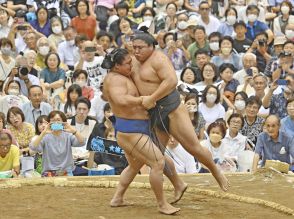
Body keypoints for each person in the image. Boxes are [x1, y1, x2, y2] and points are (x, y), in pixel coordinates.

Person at [131, 32, 229, 191]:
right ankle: (178, 184)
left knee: (193, 147)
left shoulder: (159, 59)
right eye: (134, 47)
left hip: (171, 107)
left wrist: (152, 98)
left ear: (151, 47)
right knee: (156, 156)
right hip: (154, 112)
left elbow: (171, 81)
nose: (136, 51)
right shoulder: (133, 61)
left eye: (140, 48)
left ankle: (215, 170)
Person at [102, 48, 182, 215]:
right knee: (158, 162)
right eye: (127, 64)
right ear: (116, 66)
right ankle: (162, 204)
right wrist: (141, 100)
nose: (132, 65)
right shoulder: (115, 79)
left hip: (136, 128)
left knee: (134, 165)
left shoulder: (122, 76)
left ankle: (118, 198)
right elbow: (120, 99)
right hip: (130, 130)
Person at [30, 110, 85, 176]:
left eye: (58, 120)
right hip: (49, 172)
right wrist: (43, 133)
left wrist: (74, 131)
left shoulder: (68, 135)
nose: (56, 123)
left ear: (63, 122)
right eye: (53, 120)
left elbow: (82, 142)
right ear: (49, 123)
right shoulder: (45, 137)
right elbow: (33, 147)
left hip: (66, 171)